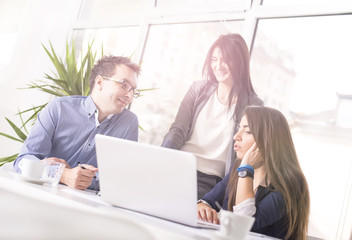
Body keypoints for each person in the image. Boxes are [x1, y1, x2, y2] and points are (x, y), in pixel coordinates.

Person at [13, 55, 141, 191]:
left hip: (85, 206)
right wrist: (62, 175)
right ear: (100, 83)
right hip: (43, 194)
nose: (130, 95)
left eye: (133, 89)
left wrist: (85, 178)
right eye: (124, 85)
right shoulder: (59, 108)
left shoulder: (129, 123)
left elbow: (120, 179)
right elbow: (23, 161)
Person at [161, 33, 263, 199]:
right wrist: (158, 160)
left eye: (225, 60)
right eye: (214, 59)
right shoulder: (197, 89)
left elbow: (246, 155)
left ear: (240, 62)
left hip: (210, 181)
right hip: (178, 165)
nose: (218, 66)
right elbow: (177, 130)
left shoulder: (253, 105)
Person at [197, 106, 310, 240]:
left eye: (248, 131)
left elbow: (244, 224)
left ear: (268, 139)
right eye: (239, 128)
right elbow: (208, 200)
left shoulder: (290, 183)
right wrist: (202, 207)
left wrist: (246, 170)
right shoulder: (237, 169)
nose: (236, 136)